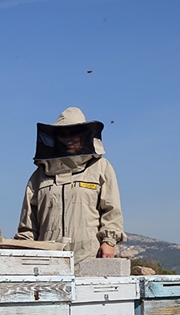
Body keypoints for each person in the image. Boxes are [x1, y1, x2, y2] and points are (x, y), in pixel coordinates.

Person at [15, 107, 125, 264]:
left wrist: (108, 242)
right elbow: (28, 226)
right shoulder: (39, 175)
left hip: (89, 258)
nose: (68, 140)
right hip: (47, 260)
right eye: (63, 135)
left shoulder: (101, 167)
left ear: (84, 136)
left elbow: (111, 210)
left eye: (73, 134)